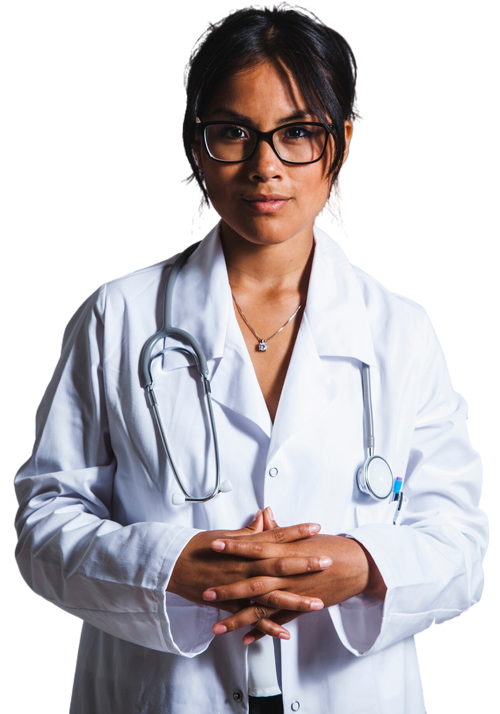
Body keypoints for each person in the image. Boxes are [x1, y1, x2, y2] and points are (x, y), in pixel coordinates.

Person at [13, 5, 488, 714]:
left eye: (298, 133)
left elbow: (470, 544)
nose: (266, 167)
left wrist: (360, 567)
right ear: (195, 145)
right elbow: (34, 526)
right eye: (234, 132)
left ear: (341, 144)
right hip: (163, 692)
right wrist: (168, 566)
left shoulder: (407, 324)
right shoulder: (112, 310)